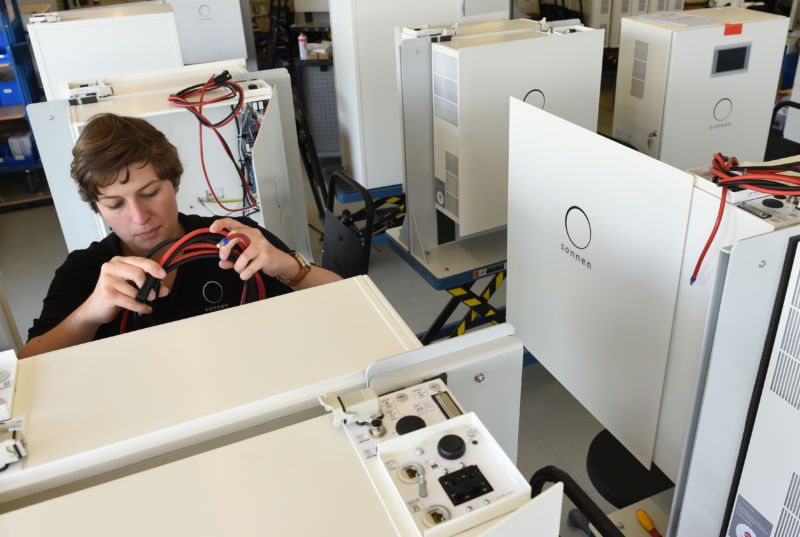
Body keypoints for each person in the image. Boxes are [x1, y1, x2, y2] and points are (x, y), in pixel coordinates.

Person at [19, 113, 341, 358]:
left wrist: (289, 267)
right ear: (97, 208)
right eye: (115, 204)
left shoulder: (228, 240)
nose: (139, 217)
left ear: (173, 182)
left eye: (150, 193)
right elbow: (27, 367)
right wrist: (90, 312)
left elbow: (346, 299)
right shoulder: (85, 271)